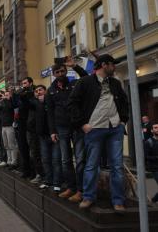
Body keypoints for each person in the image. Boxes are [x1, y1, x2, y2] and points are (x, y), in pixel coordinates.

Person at [68, 54, 129, 212]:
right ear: (104, 65)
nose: (114, 67)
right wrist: (82, 124)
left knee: (116, 166)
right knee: (91, 165)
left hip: (115, 128)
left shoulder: (115, 83)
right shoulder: (85, 82)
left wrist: (123, 121)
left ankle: (118, 201)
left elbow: (124, 101)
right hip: (94, 128)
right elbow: (72, 103)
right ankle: (88, 197)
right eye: (112, 64)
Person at [46, 57, 88, 202]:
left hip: (77, 126)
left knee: (81, 159)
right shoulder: (50, 90)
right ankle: (71, 187)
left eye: (63, 71)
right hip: (61, 128)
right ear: (54, 74)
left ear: (66, 71)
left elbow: (87, 78)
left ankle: (81, 190)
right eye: (57, 72)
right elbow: (49, 112)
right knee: (65, 160)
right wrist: (52, 131)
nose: (60, 74)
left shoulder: (75, 84)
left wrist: (75, 66)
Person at [34, 85, 62, 192]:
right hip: (43, 136)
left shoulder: (51, 100)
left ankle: (57, 183)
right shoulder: (36, 103)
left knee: (56, 160)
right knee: (45, 160)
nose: (39, 92)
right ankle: (48, 180)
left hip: (54, 134)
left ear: (45, 91)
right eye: (36, 91)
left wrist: (45, 100)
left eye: (40, 90)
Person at [16, 77, 35, 178]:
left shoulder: (34, 92)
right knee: (23, 148)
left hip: (31, 123)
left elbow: (31, 105)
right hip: (22, 123)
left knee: (32, 148)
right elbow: (15, 104)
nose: (24, 85)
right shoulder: (21, 93)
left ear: (31, 83)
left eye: (25, 83)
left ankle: (34, 172)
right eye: (22, 83)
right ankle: (26, 170)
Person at [145, 123, 158, 203]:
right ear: (152, 130)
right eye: (155, 128)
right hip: (155, 168)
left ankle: (153, 201)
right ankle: (153, 201)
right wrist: (156, 158)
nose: (157, 129)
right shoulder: (149, 142)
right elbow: (146, 157)